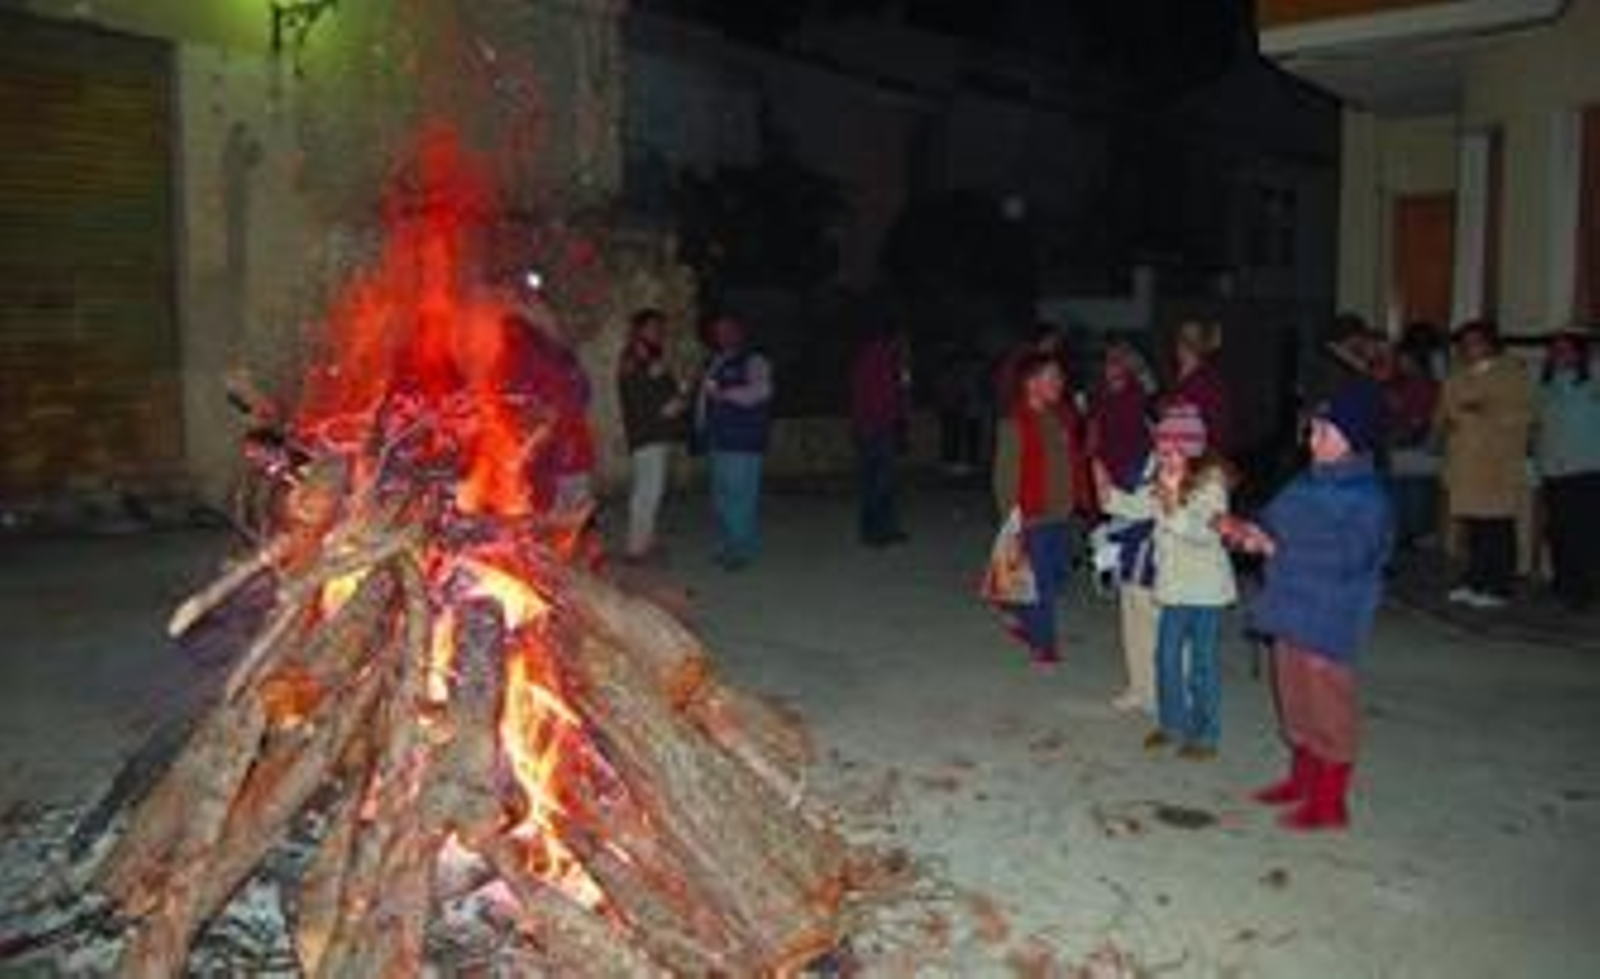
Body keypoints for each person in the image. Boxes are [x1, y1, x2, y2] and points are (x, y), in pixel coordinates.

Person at [1218, 382, 1393, 832]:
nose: (1311, 441)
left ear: (1354, 441)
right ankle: (1302, 778)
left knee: (1327, 700)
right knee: (1293, 693)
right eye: (1311, 431)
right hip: (1288, 604)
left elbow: (1352, 558)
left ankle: (1331, 800)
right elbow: (1272, 522)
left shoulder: (1367, 498)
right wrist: (1246, 530)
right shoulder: (1305, 482)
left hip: (1331, 613)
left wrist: (1277, 548)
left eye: (1323, 433)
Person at [1096, 405, 1236, 758]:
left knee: (1202, 665)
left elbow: (1201, 532)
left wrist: (1173, 502)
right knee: (1165, 658)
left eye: (1172, 452)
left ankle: (1206, 734)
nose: (1164, 458)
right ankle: (1172, 724)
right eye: (1161, 451)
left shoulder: (1212, 484)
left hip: (1204, 593)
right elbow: (1137, 506)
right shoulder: (1163, 479)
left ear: (1192, 451)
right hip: (1173, 588)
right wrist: (1107, 494)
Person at [990, 352, 1080, 666]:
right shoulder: (1014, 423)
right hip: (1032, 517)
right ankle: (1044, 643)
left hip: (1061, 513)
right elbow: (1004, 476)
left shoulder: (1060, 417)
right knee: (1041, 583)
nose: (1060, 382)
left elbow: (1068, 463)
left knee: (1058, 575)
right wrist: (1012, 521)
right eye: (1052, 377)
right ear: (1031, 384)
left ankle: (1017, 610)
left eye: (1060, 376)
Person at [1436, 320, 1533, 609]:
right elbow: (1443, 410)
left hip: (1495, 464)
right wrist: (1444, 424)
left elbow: (1526, 413)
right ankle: (1475, 580)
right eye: (1464, 342)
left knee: (1496, 526)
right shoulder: (1457, 374)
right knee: (1474, 525)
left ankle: (1498, 586)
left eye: (1474, 341)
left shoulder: (1511, 373)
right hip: (1465, 461)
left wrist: (1486, 409)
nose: (1468, 348)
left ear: (1490, 344)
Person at [696, 314, 773, 570]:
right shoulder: (715, 361)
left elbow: (762, 391)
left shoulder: (754, 360)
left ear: (739, 332)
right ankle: (728, 544)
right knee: (721, 497)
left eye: (728, 330)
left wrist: (725, 394)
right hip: (719, 439)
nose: (722, 335)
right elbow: (705, 399)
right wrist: (700, 425)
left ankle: (741, 550)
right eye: (718, 331)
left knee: (741, 498)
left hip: (743, 441)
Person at [616, 308, 689, 562]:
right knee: (647, 490)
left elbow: (657, 389)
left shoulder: (647, 357)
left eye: (661, 327)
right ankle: (636, 548)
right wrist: (669, 406)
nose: (659, 332)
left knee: (651, 489)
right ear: (639, 330)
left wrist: (677, 397)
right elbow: (639, 395)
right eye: (654, 327)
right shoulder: (635, 358)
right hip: (648, 432)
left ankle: (646, 541)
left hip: (654, 432)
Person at [1535, 329, 1600, 610]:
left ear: (1580, 353)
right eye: (1554, 349)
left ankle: (1582, 591)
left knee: (1582, 535)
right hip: (1552, 470)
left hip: (1585, 469)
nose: (1559, 354)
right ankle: (1563, 585)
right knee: (1558, 532)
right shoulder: (1545, 387)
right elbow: (1539, 429)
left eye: (1566, 349)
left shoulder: (1593, 385)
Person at [850, 324, 911, 546]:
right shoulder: (877, 357)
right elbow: (877, 397)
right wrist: (892, 422)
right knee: (877, 482)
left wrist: (901, 423)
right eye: (903, 340)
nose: (906, 346)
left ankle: (885, 528)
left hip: (880, 427)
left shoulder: (894, 360)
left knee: (884, 481)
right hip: (875, 428)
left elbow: (901, 393)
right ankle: (874, 531)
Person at [1166, 319, 1231, 456]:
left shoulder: (1203, 381)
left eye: (1178, 343)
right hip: (1186, 455)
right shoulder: (1186, 378)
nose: (1175, 348)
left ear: (1187, 347)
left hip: (1199, 457)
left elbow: (1215, 427)